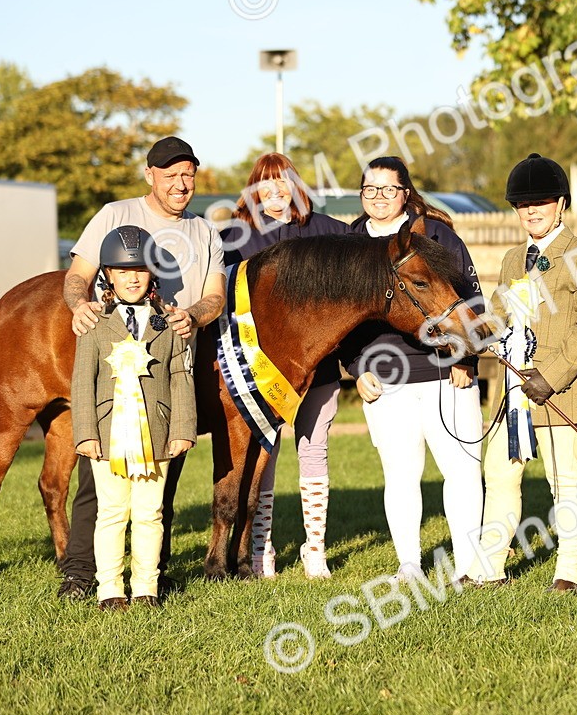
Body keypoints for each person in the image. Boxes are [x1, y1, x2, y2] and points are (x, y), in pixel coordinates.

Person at [58, 136, 226, 600]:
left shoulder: (205, 232)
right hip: (113, 376)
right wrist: (79, 306)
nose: (181, 184)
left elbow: (215, 295)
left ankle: (152, 575)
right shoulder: (114, 215)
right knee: (98, 486)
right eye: (170, 175)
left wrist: (193, 316)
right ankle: (82, 573)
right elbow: (77, 276)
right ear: (150, 174)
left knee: (161, 482)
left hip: (170, 367)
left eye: (188, 174)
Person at [465, 153, 577, 592]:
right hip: (512, 390)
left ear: (561, 203)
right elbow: (498, 312)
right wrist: (471, 333)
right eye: (523, 204)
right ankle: (490, 567)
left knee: (564, 479)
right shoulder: (513, 259)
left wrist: (552, 375)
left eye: (540, 202)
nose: (531, 211)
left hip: (558, 388)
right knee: (499, 475)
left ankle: (570, 571)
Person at [339, 156, 485, 582]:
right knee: (400, 476)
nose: (379, 197)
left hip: (445, 375)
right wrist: (356, 367)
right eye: (370, 189)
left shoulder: (435, 235)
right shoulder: (351, 243)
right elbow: (339, 315)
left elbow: (470, 299)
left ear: (405, 193)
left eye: (389, 189)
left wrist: (466, 356)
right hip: (385, 381)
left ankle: (469, 566)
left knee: (462, 470)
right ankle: (409, 566)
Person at [221, 153, 349, 578]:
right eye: (266, 183)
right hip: (258, 374)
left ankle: (315, 550)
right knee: (265, 457)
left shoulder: (328, 231)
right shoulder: (234, 237)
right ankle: (262, 548)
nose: (275, 191)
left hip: (319, 370)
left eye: (284, 182)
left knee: (314, 452)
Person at [71, 226, 196, 610]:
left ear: (152, 273)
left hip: (155, 434)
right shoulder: (93, 324)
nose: (132, 278)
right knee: (110, 513)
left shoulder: (170, 323)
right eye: (123, 271)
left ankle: (146, 588)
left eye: (140, 270)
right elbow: (82, 380)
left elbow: (180, 376)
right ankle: (109, 589)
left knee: (150, 513)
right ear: (107, 275)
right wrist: (84, 433)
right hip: (107, 434)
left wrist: (182, 428)